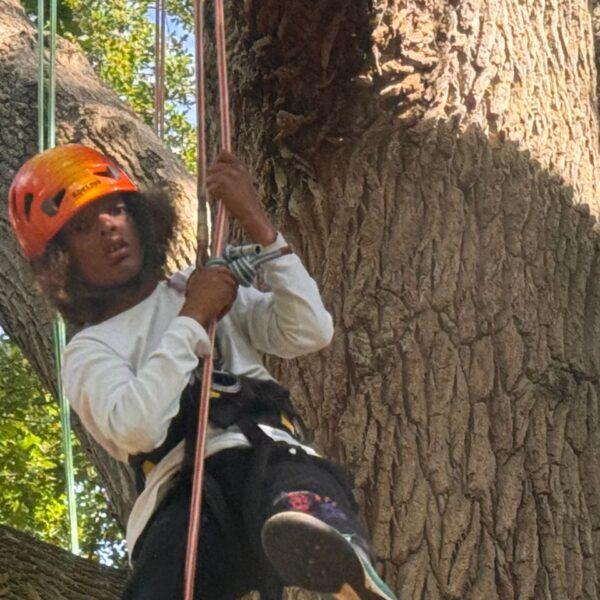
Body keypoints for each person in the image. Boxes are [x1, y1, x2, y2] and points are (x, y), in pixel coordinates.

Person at [8, 144, 398, 600]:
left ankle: (344, 565)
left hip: (266, 454)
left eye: (116, 209)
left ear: (141, 217)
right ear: (62, 258)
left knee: (299, 496)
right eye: (81, 226)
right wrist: (192, 318)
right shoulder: (91, 349)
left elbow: (310, 330)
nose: (108, 228)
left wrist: (260, 227)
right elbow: (137, 427)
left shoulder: (199, 284)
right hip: (184, 499)